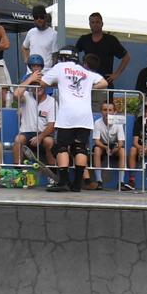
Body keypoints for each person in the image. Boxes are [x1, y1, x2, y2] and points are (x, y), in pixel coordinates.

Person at [40, 47, 109, 192]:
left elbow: (43, 82)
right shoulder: (85, 71)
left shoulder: (60, 67)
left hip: (68, 114)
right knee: (80, 148)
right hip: (84, 116)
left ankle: (63, 181)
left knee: (62, 147)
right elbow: (104, 83)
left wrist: (57, 83)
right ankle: (77, 184)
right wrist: (88, 88)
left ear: (63, 58)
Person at [12, 55, 57, 171]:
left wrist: (40, 137)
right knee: (18, 140)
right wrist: (30, 79)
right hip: (26, 132)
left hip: (43, 133)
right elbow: (16, 94)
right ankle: (17, 171)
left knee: (49, 142)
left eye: (40, 86)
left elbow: (52, 125)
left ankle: (53, 172)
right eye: (34, 86)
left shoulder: (51, 101)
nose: (38, 88)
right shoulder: (26, 96)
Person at [74, 12, 129, 85]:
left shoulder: (111, 40)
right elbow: (74, 54)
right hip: (87, 81)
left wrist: (116, 74)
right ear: (89, 24)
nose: (95, 24)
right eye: (92, 22)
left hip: (105, 82)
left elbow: (126, 57)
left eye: (97, 22)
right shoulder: (84, 39)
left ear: (102, 24)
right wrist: (80, 69)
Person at [92, 101, 128, 189]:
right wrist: (105, 147)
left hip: (115, 145)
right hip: (102, 145)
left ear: (114, 112)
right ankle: (99, 181)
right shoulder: (97, 122)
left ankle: (121, 182)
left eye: (110, 110)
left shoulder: (118, 122)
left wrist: (115, 149)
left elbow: (121, 142)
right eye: (104, 110)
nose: (107, 112)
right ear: (101, 111)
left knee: (122, 151)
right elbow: (96, 141)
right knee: (96, 150)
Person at [22, 5, 57, 70]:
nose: (39, 19)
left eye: (41, 17)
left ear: (45, 17)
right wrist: (26, 60)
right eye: (36, 17)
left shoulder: (54, 34)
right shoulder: (31, 32)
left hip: (46, 73)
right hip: (31, 73)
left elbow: (55, 56)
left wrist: (52, 70)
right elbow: (24, 47)